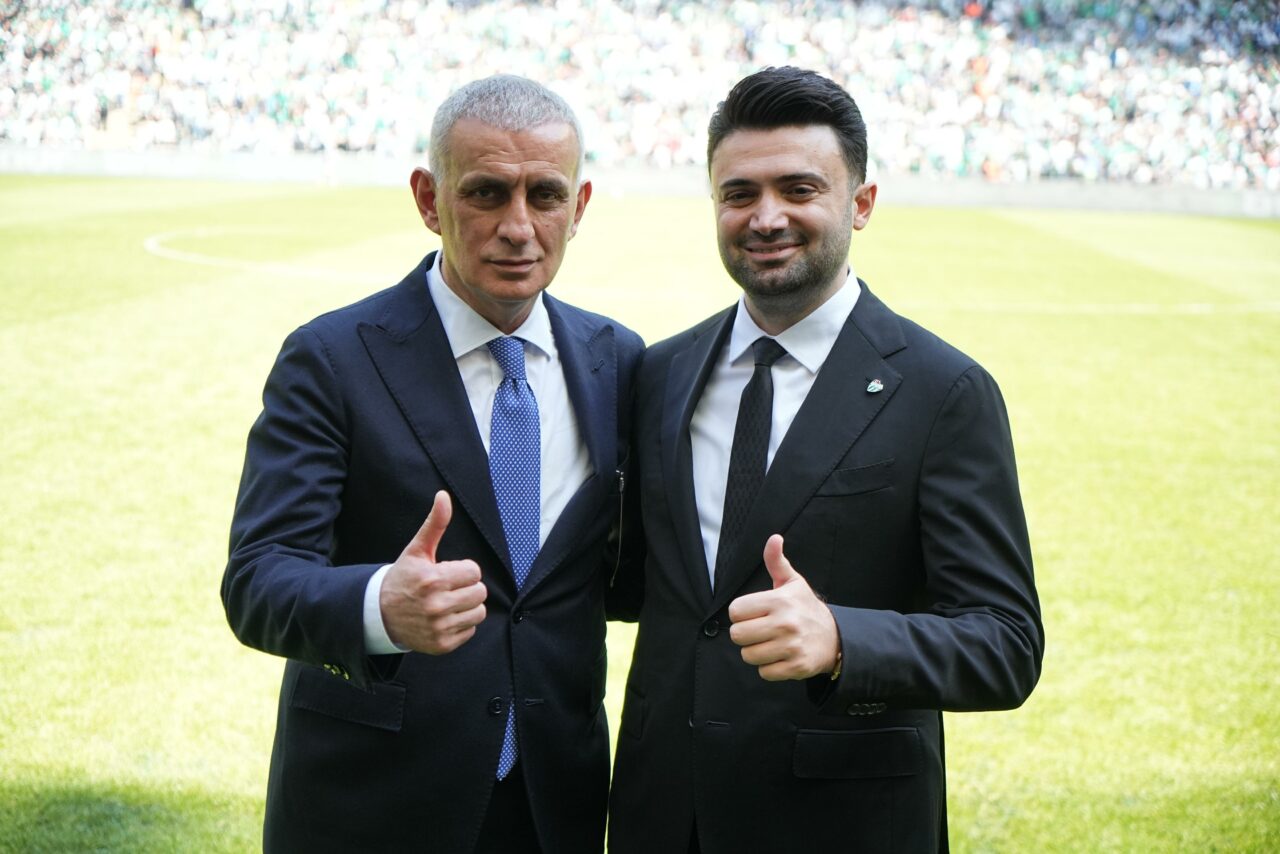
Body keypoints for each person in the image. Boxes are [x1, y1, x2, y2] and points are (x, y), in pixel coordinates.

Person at [607, 66, 1044, 853]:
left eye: (799, 189)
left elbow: (1005, 643)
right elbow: (637, 582)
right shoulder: (660, 372)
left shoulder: (943, 391)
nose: (766, 216)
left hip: (842, 823)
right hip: (663, 814)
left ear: (861, 203)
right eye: (739, 193)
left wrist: (843, 640)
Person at [222, 75, 643, 854]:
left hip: (555, 802)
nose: (518, 227)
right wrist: (380, 607)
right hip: (374, 802)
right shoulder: (331, 359)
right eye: (486, 193)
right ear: (428, 198)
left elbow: (622, 573)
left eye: (545, 195)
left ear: (579, 206)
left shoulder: (618, 360)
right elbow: (258, 580)